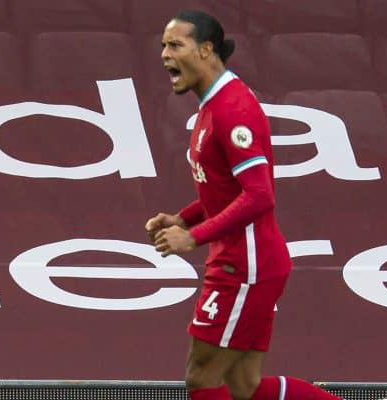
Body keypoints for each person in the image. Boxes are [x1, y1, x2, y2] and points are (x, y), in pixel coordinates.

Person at [145, 10, 345, 400]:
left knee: (201, 379)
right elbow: (224, 190)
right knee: (244, 386)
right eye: (162, 46)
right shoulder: (213, 105)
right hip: (247, 263)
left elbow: (258, 195)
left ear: (205, 50)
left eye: (175, 45)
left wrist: (193, 238)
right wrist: (183, 219)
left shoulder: (232, 109)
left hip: (245, 267)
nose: (165, 55)